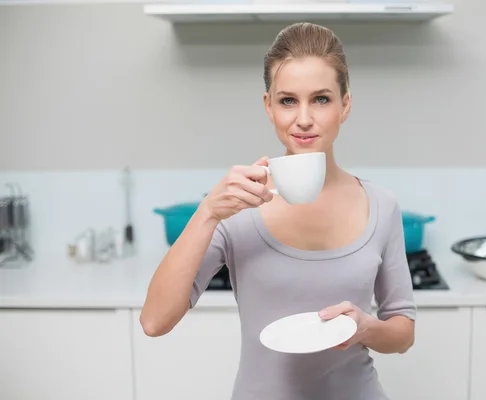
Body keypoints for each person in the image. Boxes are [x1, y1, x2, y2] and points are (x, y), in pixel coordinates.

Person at [140, 22, 416, 400]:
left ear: (345, 105)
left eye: (321, 99)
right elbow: (154, 322)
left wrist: (365, 328)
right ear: (269, 106)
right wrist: (206, 213)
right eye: (288, 100)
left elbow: (403, 332)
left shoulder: (382, 205)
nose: (303, 118)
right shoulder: (236, 206)